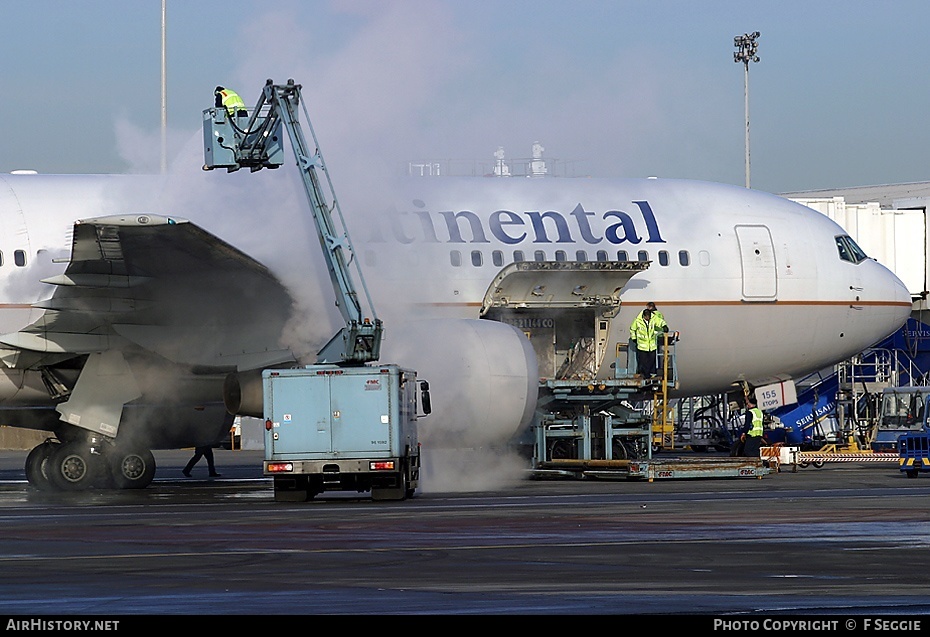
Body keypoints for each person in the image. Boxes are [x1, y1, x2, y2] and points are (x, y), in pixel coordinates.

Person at [629, 303, 669, 378]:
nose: (648, 318)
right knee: (644, 362)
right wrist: (634, 338)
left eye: (649, 317)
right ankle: (646, 375)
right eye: (647, 317)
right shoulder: (637, 321)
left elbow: (660, 321)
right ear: (644, 316)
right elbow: (632, 329)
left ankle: (651, 373)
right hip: (642, 345)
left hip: (651, 345)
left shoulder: (653, 318)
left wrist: (664, 326)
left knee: (651, 360)